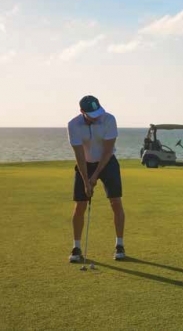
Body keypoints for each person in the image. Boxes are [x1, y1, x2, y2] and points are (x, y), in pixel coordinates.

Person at [67, 95, 126, 262]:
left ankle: (119, 244)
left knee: (115, 201)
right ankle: (76, 247)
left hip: (107, 163)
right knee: (80, 205)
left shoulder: (109, 119)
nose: (97, 117)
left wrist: (95, 177)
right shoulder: (73, 125)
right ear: (82, 112)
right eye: (92, 114)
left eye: (97, 112)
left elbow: (107, 151)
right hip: (84, 164)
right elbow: (79, 155)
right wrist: (86, 181)